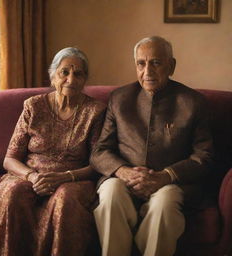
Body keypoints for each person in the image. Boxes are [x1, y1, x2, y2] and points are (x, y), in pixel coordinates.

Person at [90, 36, 214, 256]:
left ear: (171, 66)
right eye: (141, 63)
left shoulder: (193, 102)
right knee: (109, 192)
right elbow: (100, 152)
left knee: (164, 204)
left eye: (155, 62)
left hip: (171, 183)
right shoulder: (119, 99)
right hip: (124, 179)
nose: (147, 70)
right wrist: (124, 171)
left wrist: (165, 176)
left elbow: (204, 156)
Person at [0, 47, 106, 256]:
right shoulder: (34, 106)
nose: (71, 79)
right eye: (64, 72)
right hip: (29, 175)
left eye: (78, 74)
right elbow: (10, 159)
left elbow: (98, 163)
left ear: (85, 79)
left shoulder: (95, 111)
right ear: (52, 75)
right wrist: (32, 176)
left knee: (65, 200)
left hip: (73, 179)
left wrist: (63, 177)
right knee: (13, 195)